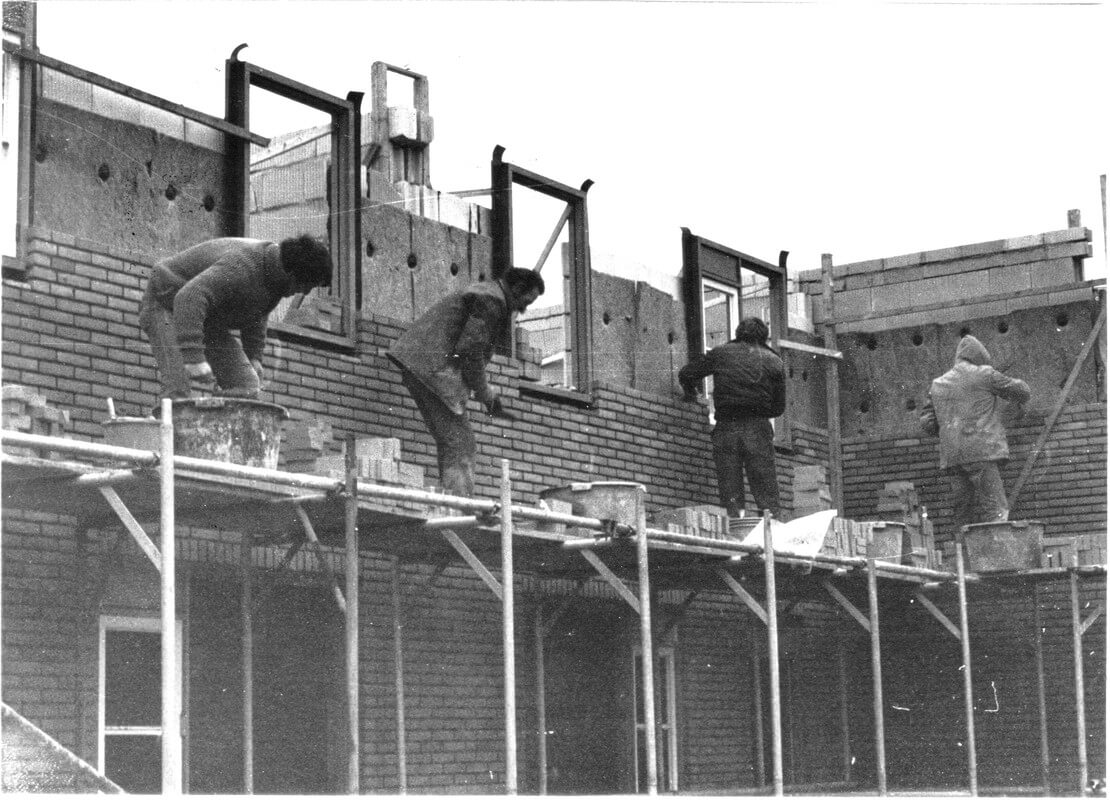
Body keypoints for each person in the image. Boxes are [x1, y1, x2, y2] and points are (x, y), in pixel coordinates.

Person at [388, 267, 545, 497]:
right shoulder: (492, 301)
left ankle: (452, 501)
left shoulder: (486, 293)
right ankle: (459, 508)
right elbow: (470, 352)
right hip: (431, 369)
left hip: (423, 364)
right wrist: (485, 393)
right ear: (518, 289)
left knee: (454, 440)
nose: (523, 309)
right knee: (461, 443)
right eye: (525, 301)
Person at [139, 235, 332, 399]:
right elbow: (188, 297)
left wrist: (254, 357)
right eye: (308, 285)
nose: (305, 292)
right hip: (165, 299)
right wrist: (193, 357)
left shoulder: (275, 279)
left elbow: (257, 315)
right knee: (177, 389)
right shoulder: (243, 265)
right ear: (294, 273)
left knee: (247, 385)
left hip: (202, 315)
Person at [920, 334, 1030, 532]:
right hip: (982, 452)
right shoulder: (985, 374)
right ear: (978, 356)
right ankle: (998, 557)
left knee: (963, 514)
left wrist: (950, 431)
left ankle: (962, 559)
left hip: (953, 458)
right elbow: (1023, 391)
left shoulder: (937, 384)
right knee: (995, 509)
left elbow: (927, 422)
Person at [678, 317, 786, 519]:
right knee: (766, 492)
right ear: (764, 337)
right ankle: (774, 537)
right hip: (758, 429)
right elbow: (779, 408)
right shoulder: (774, 361)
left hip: (727, 428)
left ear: (738, 334)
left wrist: (692, 395)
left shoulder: (721, 353)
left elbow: (686, 374)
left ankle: (735, 536)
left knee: (731, 493)